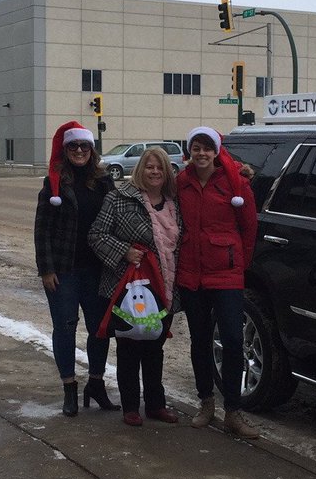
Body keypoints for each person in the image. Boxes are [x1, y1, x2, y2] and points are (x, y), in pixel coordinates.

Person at [89, 147, 183, 427]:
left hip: (165, 285)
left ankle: (156, 404)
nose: (155, 172)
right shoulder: (119, 199)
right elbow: (96, 235)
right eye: (150, 167)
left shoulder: (174, 204)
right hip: (128, 286)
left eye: (160, 167)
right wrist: (124, 251)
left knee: (155, 349)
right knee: (129, 348)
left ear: (167, 172)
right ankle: (130, 406)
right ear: (140, 169)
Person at [176, 126, 259, 439]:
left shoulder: (235, 183)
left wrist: (239, 264)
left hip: (226, 273)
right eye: (196, 148)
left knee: (233, 341)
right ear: (190, 151)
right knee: (199, 340)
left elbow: (249, 228)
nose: (201, 153)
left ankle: (233, 412)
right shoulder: (181, 182)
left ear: (216, 151)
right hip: (192, 273)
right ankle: (206, 402)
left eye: (207, 148)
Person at [34, 122, 118, 416]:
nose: (79, 151)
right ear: (65, 149)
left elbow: (119, 217)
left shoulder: (104, 182)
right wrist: (46, 269)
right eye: (73, 146)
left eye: (84, 146)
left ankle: (96, 383)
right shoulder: (54, 184)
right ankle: (69, 387)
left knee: (100, 329)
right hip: (64, 270)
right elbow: (42, 230)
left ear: (91, 150)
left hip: (98, 270)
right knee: (65, 327)